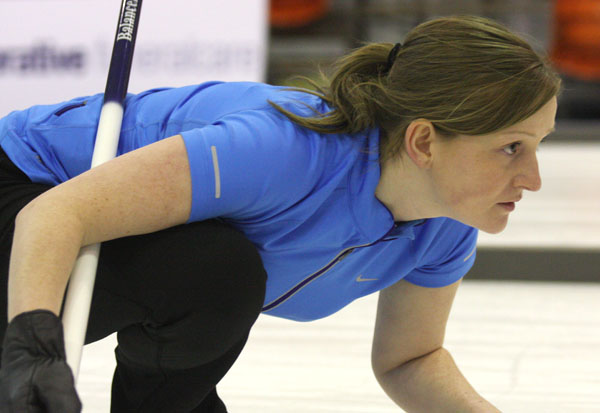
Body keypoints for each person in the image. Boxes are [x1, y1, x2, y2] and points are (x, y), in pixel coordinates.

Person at [0, 15, 560, 413]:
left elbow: (409, 361)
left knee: (217, 275)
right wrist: (32, 347)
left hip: (100, 240)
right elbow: (54, 216)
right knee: (219, 272)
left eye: (539, 146)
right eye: (511, 147)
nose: (533, 178)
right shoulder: (283, 150)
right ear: (423, 141)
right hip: (30, 188)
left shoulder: (443, 226)